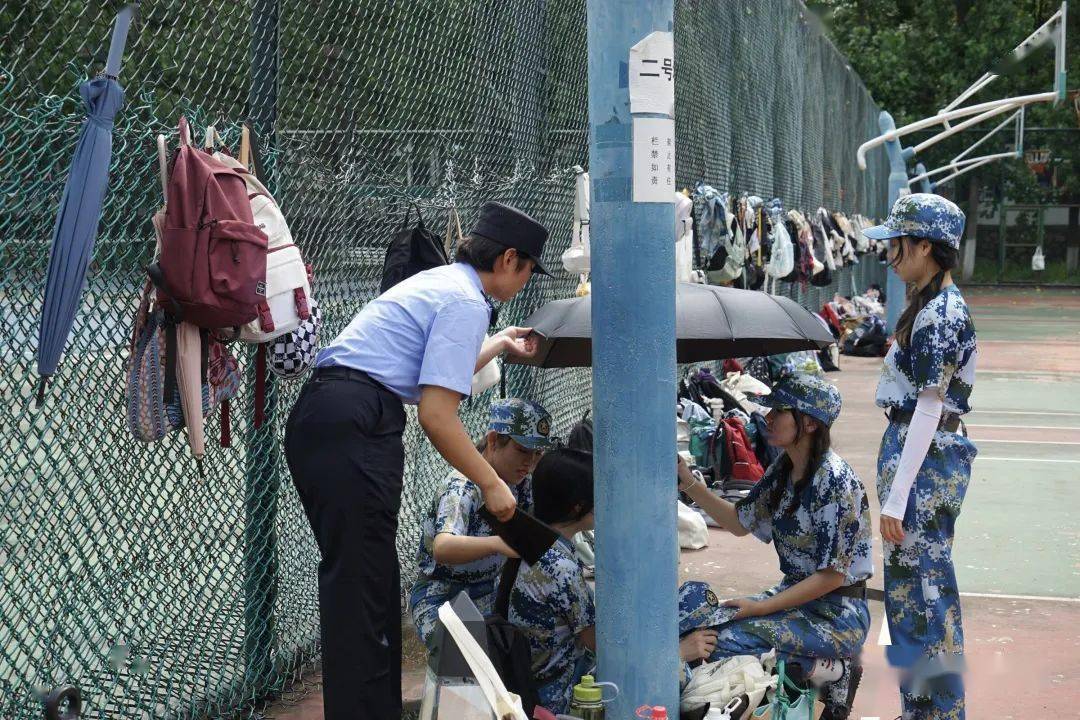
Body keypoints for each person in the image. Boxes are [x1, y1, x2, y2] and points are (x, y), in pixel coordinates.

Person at [283, 201, 551, 719]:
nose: (523, 283)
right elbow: (436, 414)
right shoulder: (465, 301)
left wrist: (496, 343)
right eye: (526, 271)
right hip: (353, 420)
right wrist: (491, 486)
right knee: (361, 589)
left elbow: (434, 372)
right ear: (509, 259)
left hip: (339, 414)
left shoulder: (446, 287)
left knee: (370, 583)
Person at [677, 373, 873, 720]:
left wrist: (761, 607)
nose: (767, 418)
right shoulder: (784, 468)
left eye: (778, 411)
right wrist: (689, 482)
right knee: (709, 626)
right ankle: (813, 672)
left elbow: (831, 577)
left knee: (725, 644)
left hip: (837, 614)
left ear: (809, 422)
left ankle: (831, 672)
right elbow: (739, 522)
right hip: (796, 595)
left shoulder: (836, 483)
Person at [863, 193, 977, 720]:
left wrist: (898, 498)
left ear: (925, 246)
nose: (891, 255)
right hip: (918, 454)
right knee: (911, 597)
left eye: (898, 245)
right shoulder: (929, 306)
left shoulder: (940, 315)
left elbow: (930, 409)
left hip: (924, 460)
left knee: (925, 598)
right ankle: (920, 707)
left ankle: (937, 711)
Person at [508, 447, 718, 715]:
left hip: (551, 673)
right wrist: (675, 654)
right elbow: (601, 646)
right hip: (565, 693)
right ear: (577, 506)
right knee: (686, 645)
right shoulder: (559, 567)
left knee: (693, 597)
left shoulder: (539, 544)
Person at [409, 398, 556, 646]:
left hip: (489, 593)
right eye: (522, 451)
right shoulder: (462, 486)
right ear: (493, 441)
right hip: (442, 596)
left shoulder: (520, 482)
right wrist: (498, 544)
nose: (529, 463)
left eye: (537, 454)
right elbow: (442, 548)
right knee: (461, 666)